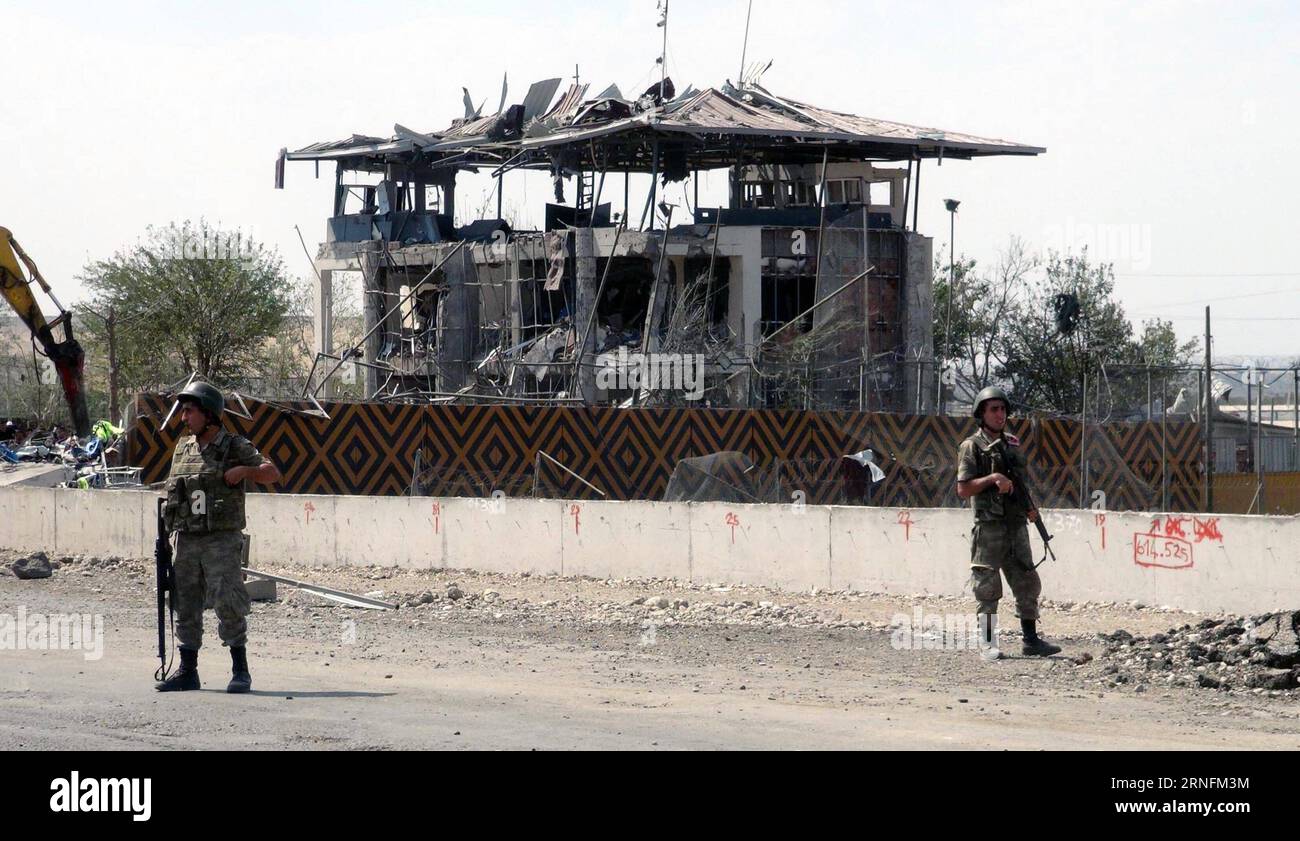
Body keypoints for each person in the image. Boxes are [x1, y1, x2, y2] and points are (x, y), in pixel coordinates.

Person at [156, 381, 281, 693]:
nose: (184, 417)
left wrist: (244, 471)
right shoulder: (184, 449)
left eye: (189, 411)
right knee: (185, 603)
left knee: (228, 602)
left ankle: (240, 670)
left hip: (221, 541)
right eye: (183, 411)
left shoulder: (234, 446)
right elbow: (174, 494)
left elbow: (271, 472)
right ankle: (188, 671)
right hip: (187, 540)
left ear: (209, 414)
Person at [955, 386, 1061, 661]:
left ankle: (1031, 641)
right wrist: (992, 479)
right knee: (987, 588)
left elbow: (1020, 482)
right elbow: (963, 489)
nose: (1000, 414)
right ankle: (988, 644)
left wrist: (1029, 508)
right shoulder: (971, 446)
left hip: (1015, 525)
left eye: (1003, 409)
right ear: (981, 413)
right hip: (989, 527)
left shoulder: (1011, 444)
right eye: (994, 409)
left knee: (1027, 582)